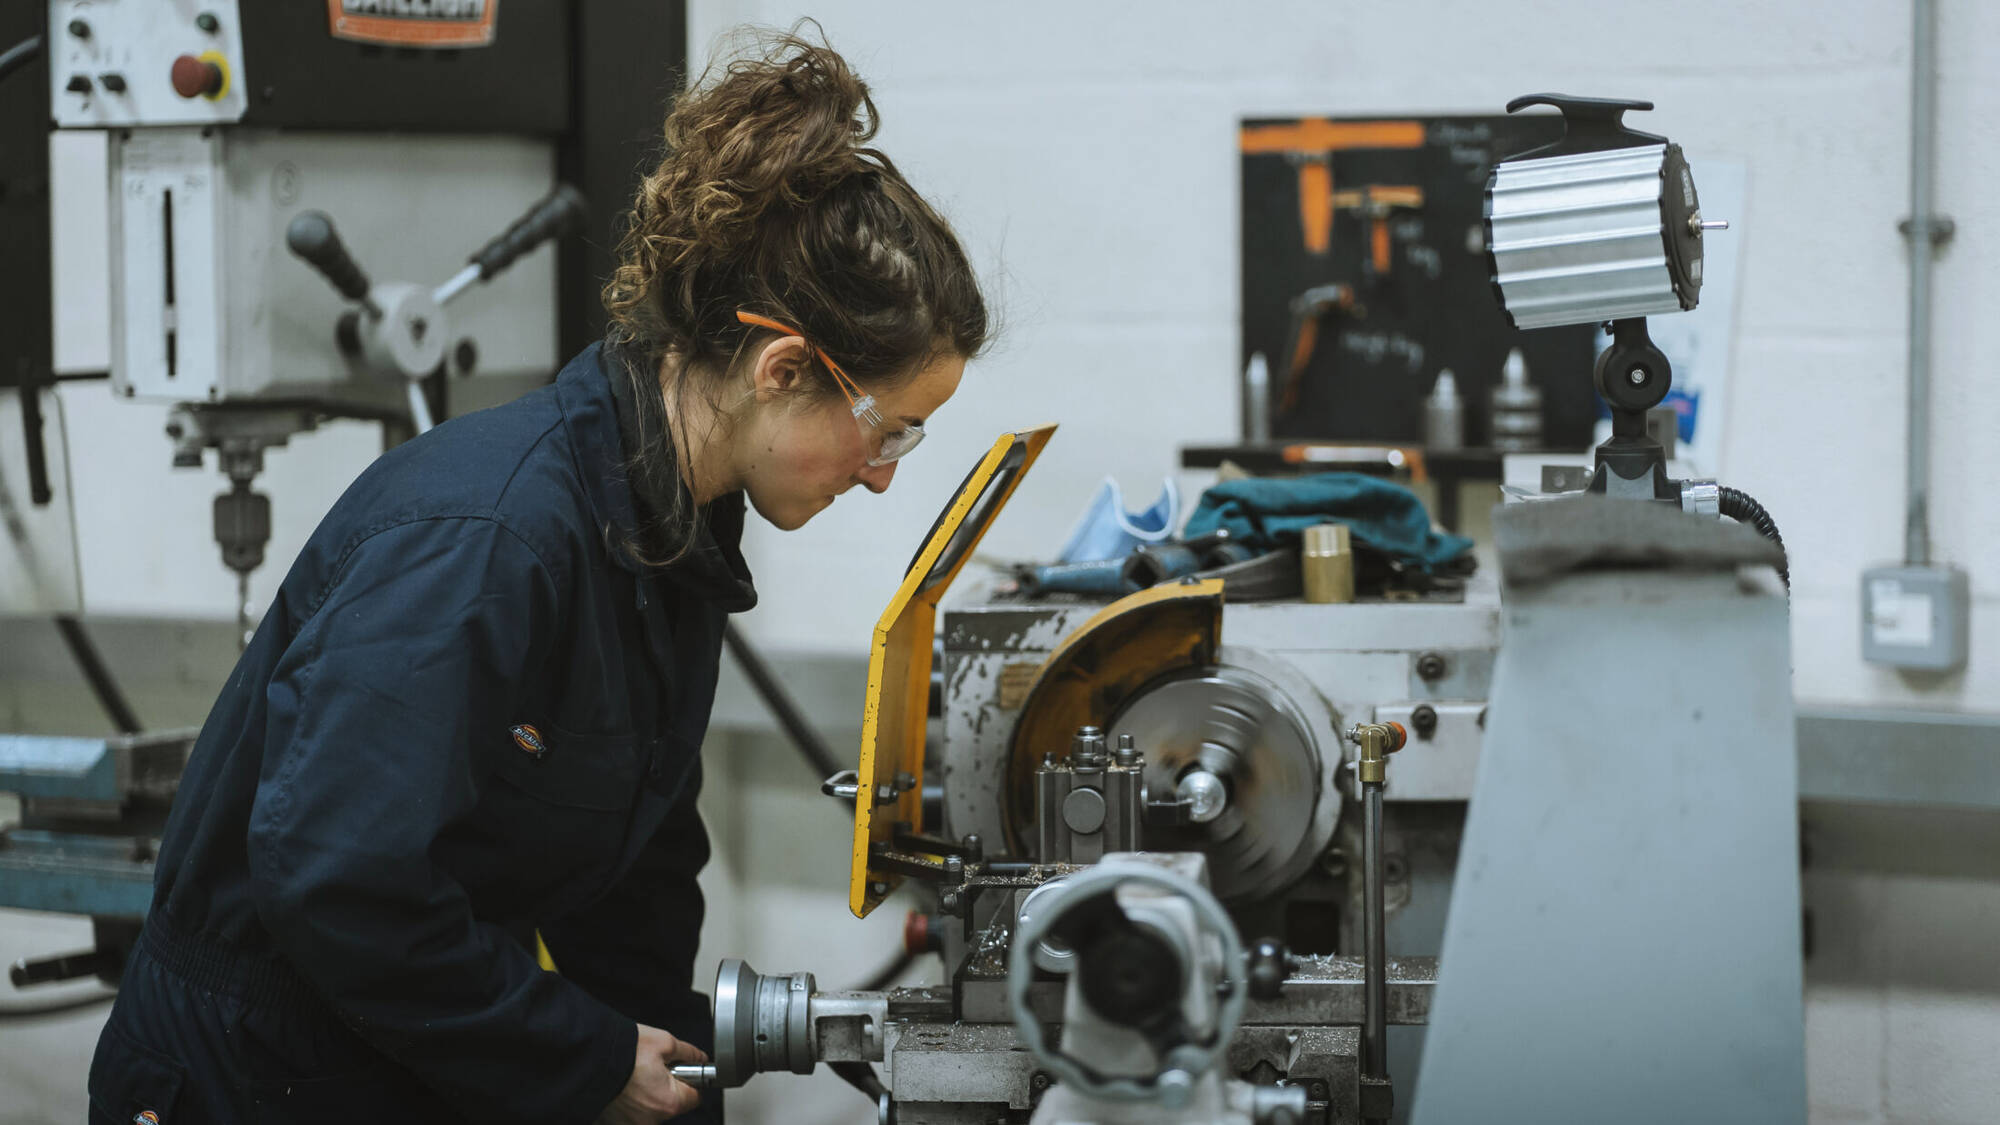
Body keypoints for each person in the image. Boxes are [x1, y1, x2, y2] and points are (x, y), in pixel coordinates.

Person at [86, 29, 988, 1125]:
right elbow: (340, 880)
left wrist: (663, 1052)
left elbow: (636, 863)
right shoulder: (493, 541)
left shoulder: (671, 531)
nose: (884, 479)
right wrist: (587, 1054)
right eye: (883, 433)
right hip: (253, 1075)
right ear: (783, 369)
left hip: (399, 1048)